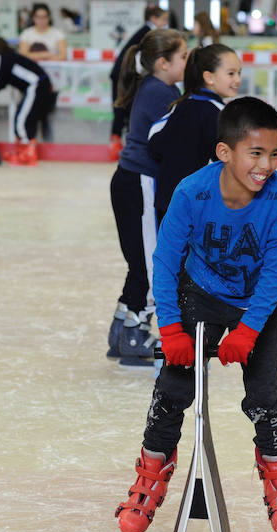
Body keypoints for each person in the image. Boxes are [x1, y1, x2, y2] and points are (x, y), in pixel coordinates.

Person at [115, 97, 277, 532]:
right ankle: (151, 473)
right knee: (173, 390)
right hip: (199, 296)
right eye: (255, 153)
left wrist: (249, 329)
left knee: (265, 397)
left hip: (257, 305)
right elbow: (165, 262)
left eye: (274, 154)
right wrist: (171, 329)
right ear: (225, 152)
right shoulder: (192, 192)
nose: (266, 165)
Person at [106, 28, 188, 367]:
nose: (188, 62)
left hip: (131, 181)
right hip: (140, 184)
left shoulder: (157, 86)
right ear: (163, 62)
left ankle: (123, 329)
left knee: (139, 262)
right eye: (183, 57)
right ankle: (137, 334)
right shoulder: (161, 93)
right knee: (156, 263)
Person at [148, 44, 241, 225]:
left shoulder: (180, 106)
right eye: (231, 73)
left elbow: (154, 144)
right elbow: (233, 164)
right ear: (209, 77)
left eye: (239, 72)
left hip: (168, 205)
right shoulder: (223, 115)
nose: (237, 79)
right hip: (202, 209)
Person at [108, 6, 170, 161]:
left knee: (124, 108)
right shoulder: (148, 32)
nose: (165, 23)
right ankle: (115, 147)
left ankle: (118, 146)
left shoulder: (146, 31)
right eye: (163, 19)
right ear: (153, 19)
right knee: (121, 108)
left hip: (125, 74)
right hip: (123, 74)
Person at [0, 37, 54, 166]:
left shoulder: (3, 59)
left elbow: (1, 81)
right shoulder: (10, 57)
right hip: (38, 86)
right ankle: (23, 151)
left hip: (36, 86)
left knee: (22, 119)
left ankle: (28, 153)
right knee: (23, 118)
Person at [18, 4, 65, 142]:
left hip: (51, 83)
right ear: (33, 18)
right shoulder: (27, 34)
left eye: (44, 17)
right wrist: (46, 54)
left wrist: (36, 56)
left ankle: (48, 144)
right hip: (30, 82)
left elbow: (63, 55)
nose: (41, 20)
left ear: (49, 18)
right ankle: (29, 142)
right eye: (38, 17)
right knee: (29, 114)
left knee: (47, 116)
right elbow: (23, 55)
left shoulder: (57, 34)